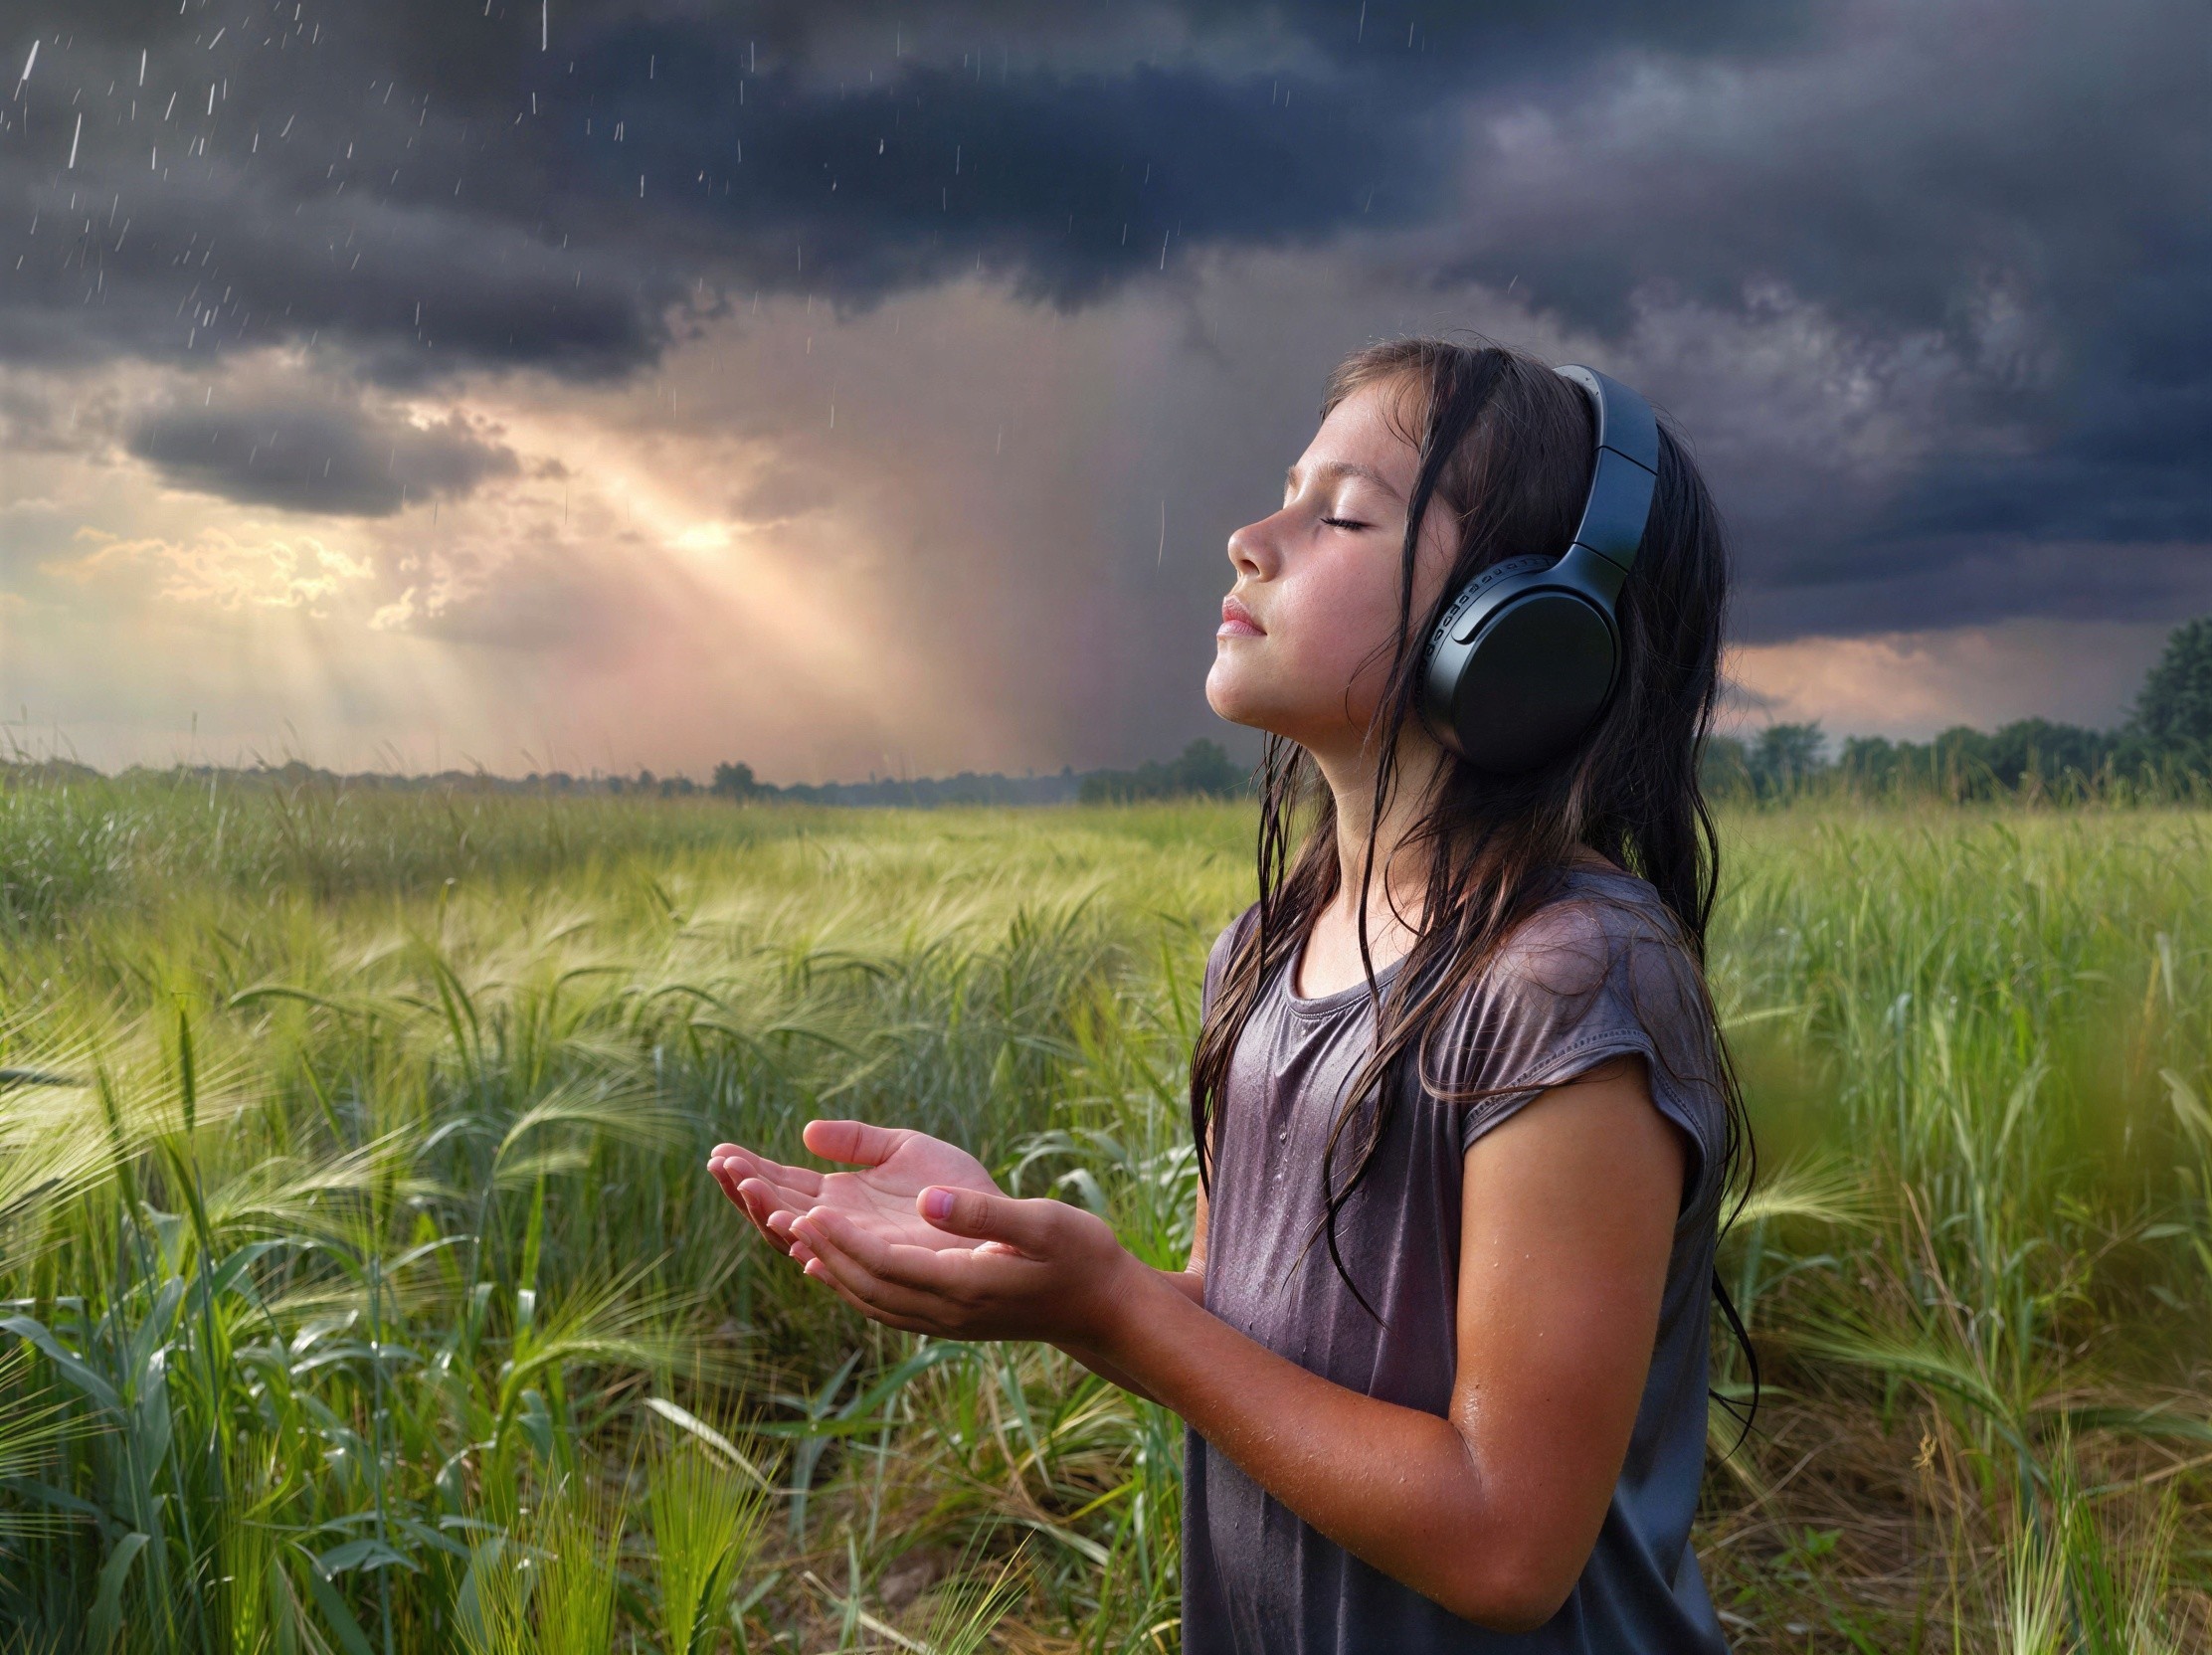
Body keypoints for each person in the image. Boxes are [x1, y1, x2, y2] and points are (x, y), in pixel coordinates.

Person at [706, 334, 1751, 1652]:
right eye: (1282, 497)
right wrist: (1031, 1266)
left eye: (1344, 514)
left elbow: (1504, 1546)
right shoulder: (1265, 947)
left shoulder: (1568, 976)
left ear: (1527, 628)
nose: (1248, 540)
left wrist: (1113, 1310)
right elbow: (1238, 1334)